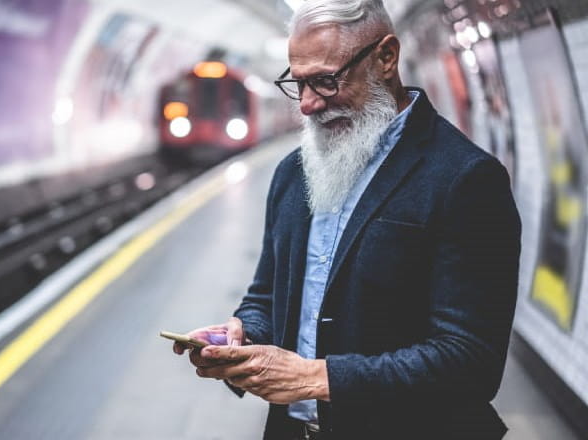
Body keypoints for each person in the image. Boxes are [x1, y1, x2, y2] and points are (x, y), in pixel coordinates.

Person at [172, 1, 521, 439]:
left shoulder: (465, 179)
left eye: (325, 81)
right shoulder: (294, 172)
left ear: (386, 57)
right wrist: (240, 335)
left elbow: (471, 361)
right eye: (296, 83)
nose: (307, 105)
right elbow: (267, 295)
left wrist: (319, 379)